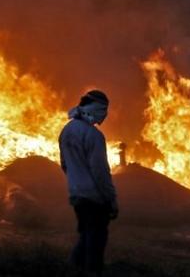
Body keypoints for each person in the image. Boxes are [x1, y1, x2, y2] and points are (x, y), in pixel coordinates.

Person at [59, 90, 118, 273]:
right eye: (103, 109)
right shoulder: (93, 135)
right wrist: (111, 198)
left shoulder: (67, 131)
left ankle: (72, 269)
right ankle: (91, 271)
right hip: (94, 197)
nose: (105, 115)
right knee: (96, 240)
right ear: (95, 108)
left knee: (86, 235)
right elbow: (100, 171)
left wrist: (76, 182)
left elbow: (64, 164)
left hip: (76, 194)